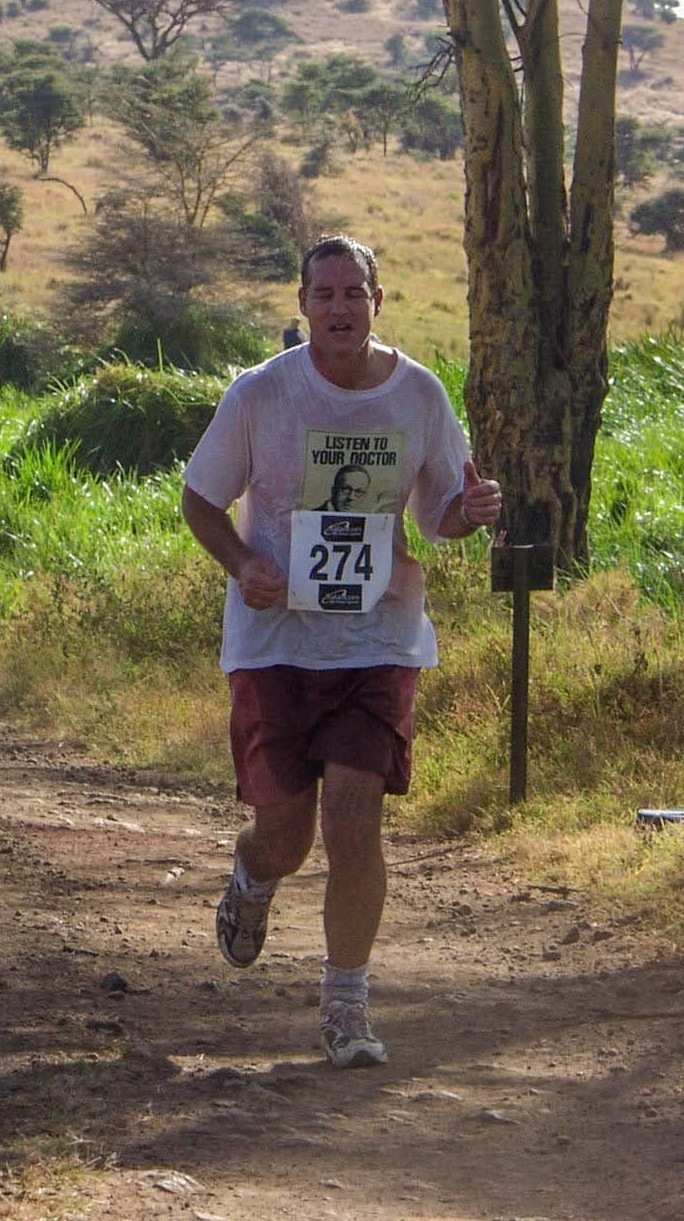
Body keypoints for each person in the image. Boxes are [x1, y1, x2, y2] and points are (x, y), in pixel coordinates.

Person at [179, 234, 501, 1069]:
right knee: (286, 835)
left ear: (377, 300)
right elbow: (201, 497)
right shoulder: (262, 394)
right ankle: (252, 877)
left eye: (353, 293)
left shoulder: (417, 395)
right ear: (302, 305)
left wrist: (470, 510)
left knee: (355, 818)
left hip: (376, 637)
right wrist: (245, 562)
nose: (339, 310)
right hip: (277, 641)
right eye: (323, 295)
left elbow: (438, 514)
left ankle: (346, 1005)